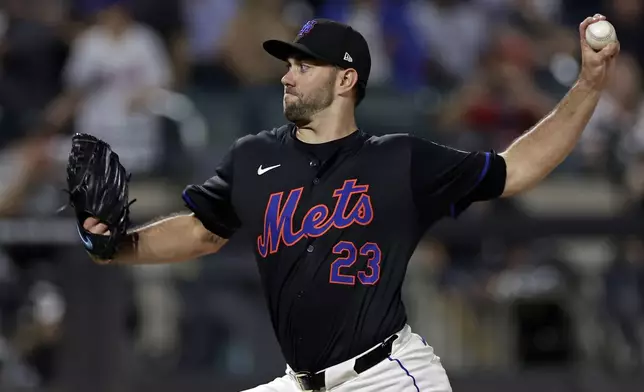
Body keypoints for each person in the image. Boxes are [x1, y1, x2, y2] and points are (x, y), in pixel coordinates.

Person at [81, 15, 619, 392]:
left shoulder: (399, 160)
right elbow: (202, 231)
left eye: (304, 65)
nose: (288, 75)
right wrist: (115, 248)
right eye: (289, 64)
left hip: (387, 376)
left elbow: (517, 168)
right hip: (300, 381)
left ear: (346, 79)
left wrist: (589, 85)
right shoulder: (254, 157)